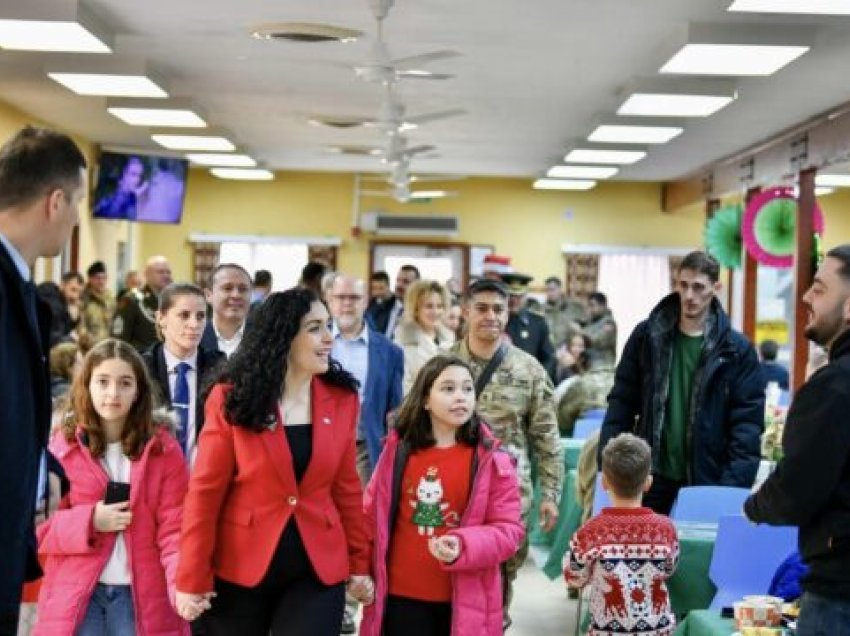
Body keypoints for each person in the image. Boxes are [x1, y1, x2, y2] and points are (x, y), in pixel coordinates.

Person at [175, 289, 373, 635]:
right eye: (314, 327)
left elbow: (346, 489)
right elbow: (205, 493)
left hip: (316, 570)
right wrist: (191, 576)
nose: (329, 337)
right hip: (238, 568)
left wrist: (360, 562)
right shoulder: (231, 398)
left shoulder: (342, 399)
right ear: (283, 337)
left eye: (328, 326)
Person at [360, 355, 524, 636]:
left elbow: (510, 532)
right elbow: (369, 516)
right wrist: (360, 570)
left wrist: (463, 544)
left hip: (463, 603)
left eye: (467, 388)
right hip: (401, 598)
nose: (460, 396)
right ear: (426, 399)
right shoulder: (397, 451)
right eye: (448, 389)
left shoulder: (492, 459)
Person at [34, 339, 189, 635]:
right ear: (86, 385)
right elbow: (42, 527)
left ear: (139, 390)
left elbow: (176, 528)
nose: (112, 393)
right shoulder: (62, 447)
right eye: (102, 382)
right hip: (79, 596)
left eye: (125, 383)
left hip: (141, 597)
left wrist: (181, 583)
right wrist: (90, 520)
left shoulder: (164, 450)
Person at [0, 126, 87, 634]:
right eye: (77, 204)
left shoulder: (21, 285)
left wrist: (42, 465)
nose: (76, 219)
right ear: (55, 202)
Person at [600, 251, 764, 515]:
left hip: (707, 478)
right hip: (649, 476)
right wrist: (607, 466)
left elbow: (746, 425)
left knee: (699, 555)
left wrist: (731, 487)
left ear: (715, 288)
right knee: (646, 553)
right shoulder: (647, 336)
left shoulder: (737, 350)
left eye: (698, 287)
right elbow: (621, 403)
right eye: (684, 285)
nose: (689, 296)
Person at [744, 245, 850, 632]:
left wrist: (754, 507)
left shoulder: (834, 387)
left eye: (819, 289)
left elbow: (798, 488)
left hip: (839, 594)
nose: (806, 296)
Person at [451, 278, 562, 628]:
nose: (490, 316)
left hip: (509, 494)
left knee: (500, 581)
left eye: (498, 309)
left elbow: (547, 438)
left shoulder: (528, 370)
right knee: (449, 577)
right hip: (453, 489)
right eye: (481, 308)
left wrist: (552, 495)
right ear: (466, 312)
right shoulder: (442, 365)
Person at [326, 273, 404, 633]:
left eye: (354, 298)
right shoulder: (312, 341)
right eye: (340, 297)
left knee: (357, 526)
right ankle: (329, 599)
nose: (346, 304)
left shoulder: (389, 351)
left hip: (362, 449)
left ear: (364, 302)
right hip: (320, 448)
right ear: (328, 298)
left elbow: (393, 409)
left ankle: (349, 601)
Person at [565, 433, 679, 635]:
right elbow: (669, 568)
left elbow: (574, 577)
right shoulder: (666, 529)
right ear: (648, 482)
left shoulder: (590, 532)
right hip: (657, 631)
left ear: (604, 482)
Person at [142, 283, 225, 466]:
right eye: (184, 315)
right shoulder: (142, 369)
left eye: (201, 316)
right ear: (161, 318)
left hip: (203, 475)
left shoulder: (219, 368)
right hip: (155, 474)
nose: (194, 324)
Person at [395, 280, 455, 394]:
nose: (435, 311)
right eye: (429, 306)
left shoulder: (450, 340)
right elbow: (404, 388)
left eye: (440, 306)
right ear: (416, 309)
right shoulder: (401, 344)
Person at [502, 272, 556, 381]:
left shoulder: (537, 323)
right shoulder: (495, 321)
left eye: (519, 296)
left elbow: (548, 359)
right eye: (510, 296)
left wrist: (541, 381)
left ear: (525, 297)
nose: (514, 300)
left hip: (529, 382)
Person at [112, 255, 172, 352]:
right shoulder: (132, 300)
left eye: (168, 272)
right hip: (141, 360)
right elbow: (119, 338)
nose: (166, 276)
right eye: (160, 272)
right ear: (147, 275)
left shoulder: (173, 301)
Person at [557, 350, 615, 437]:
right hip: (618, 435)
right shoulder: (622, 381)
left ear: (582, 364)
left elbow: (562, 419)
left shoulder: (580, 384)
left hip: (585, 437)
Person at [200, 263, 252, 357]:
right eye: (227, 288)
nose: (236, 295)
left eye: (243, 289)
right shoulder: (195, 336)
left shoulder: (266, 337)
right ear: (208, 295)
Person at [93, 156, 147, 220]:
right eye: (133, 174)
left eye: (139, 175)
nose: (137, 180)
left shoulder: (133, 199)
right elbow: (97, 210)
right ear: (124, 173)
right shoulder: (108, 187)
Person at [542, 276, 586, 348]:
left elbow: (584, 330)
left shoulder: (574, 308)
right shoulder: (541, 310)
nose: (550, 293)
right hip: (547, 350)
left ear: (560, 289)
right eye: (547, 290)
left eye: (552, 290)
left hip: (568, 351)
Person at [81, 261, 116, 343]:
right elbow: (81, 327)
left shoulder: (111, 299)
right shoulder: (83, 300)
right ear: (90, 279)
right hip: (90, 348)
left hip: (109, 347)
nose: (101, 282)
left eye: (104, 278)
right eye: (98, 278)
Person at [584, 291, 618, 366]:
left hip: (603, 366)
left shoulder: (609, 323)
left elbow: (595, 340)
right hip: (590, 364)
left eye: (592, 305)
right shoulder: (591, 322)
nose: (590, 309)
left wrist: (579, 332)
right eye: (588, 306)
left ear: (602, 306)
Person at [365, 270, 397, 335]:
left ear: (388, 286)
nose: (377, 292)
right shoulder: (370, 303)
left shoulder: (397, 305)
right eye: (374, 288)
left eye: (381, 288)